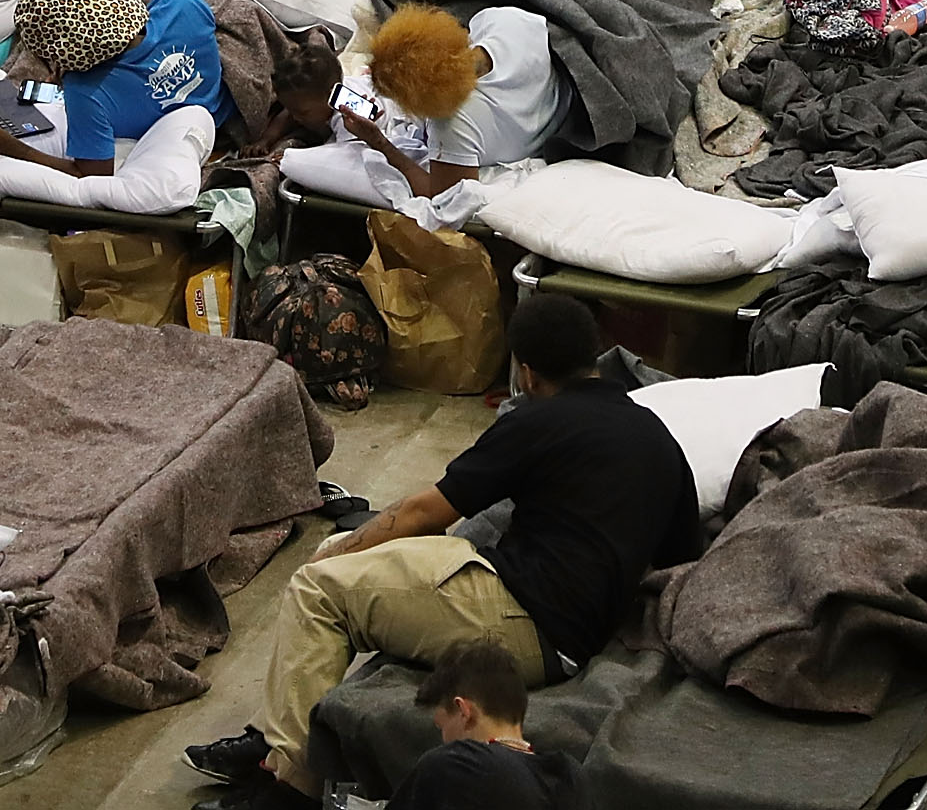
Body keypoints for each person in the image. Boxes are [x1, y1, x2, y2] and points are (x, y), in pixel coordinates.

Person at [185, 293, 699, 808]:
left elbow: (424, 514)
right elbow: (680, 556)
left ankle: (289, 789)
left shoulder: (537, 421)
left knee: (317, 588)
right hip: (570, 629)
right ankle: (271, 733)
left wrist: (331, 560)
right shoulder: (659, 438)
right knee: (345, 547)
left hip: (523, 619)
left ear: (527, 372)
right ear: (595, 356)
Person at [0, 0, 232, 208]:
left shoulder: (86, 94)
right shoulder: (182, 3)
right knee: (37, 94)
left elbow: (90, 176)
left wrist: (1, 143)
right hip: (221, 116)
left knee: (27, 98)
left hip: (183, 138)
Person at [276, 2, 567, 212]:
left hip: (560, 129)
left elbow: (437, 195)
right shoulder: (503, 22)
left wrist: (380, 144)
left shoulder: (452, 125)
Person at [390, 640, 582, 810]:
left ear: (463, 710)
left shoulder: (454, 765)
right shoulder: (571, 778)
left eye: (441, 727)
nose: (443, 739)